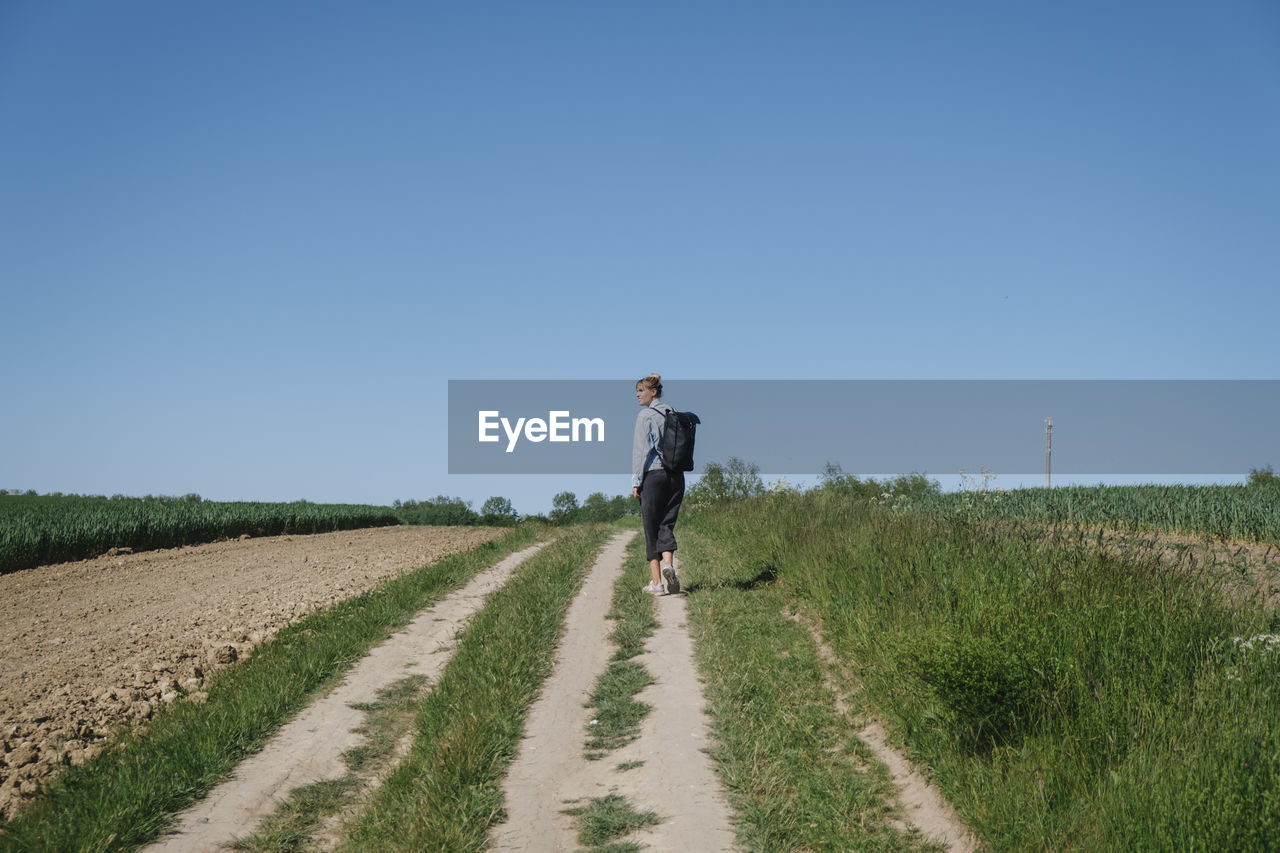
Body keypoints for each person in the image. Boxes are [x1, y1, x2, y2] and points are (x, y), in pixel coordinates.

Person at [631, 373, 684, 594]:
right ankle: (669, 565)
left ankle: (657, 584)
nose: (637, 395)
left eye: (641, 391)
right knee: (666, 524)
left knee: (651, 528)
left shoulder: (645, 415)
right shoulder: (673, 412)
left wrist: (636, 481)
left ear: (653, 392)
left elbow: (641, 452)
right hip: (677, 476)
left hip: (654, 476)